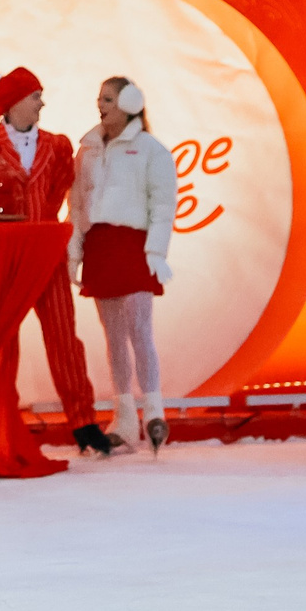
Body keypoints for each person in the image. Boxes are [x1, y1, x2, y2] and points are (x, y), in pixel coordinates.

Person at [0, 67, 110, 457]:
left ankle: (83, 421)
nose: (41, 103)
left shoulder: (57, 145)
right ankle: (2, 421)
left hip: (47, 255)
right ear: (14, 102)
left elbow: (63, 188)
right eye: (35, 96)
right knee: (3, 345)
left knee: (64, 339)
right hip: (6, 259)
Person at [69, 75, 178, 453]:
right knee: (114, 335)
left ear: (130, 103)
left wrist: (156, 252)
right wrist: (74, 254)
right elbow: (76, 205)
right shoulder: (87, 149)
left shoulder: (151, 149)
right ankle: (125, 417)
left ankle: (154, 412)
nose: (100, 105)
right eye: (100, 98)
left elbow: (163, 204)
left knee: (139, 329)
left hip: (134, 246)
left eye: (109, 99)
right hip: (99, 246)